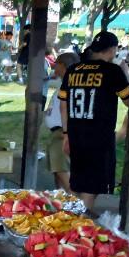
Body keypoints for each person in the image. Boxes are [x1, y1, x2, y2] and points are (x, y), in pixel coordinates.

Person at [59, 31, 129, 210]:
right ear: (113, 49)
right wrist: (125, 73)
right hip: (99, 139)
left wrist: (66, 134)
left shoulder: (73, 70)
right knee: (91, 188)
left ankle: (71, 220)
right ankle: (79, 225)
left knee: (78, 183)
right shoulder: (112, 71)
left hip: (75, 134)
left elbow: (63, 104)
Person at [44, 52, 79, 192]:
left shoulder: (71, 84)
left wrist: (66, 134)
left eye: (56, 64)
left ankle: (76, 202)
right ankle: (62, 200)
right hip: (56, 132)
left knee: (61, 169)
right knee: (57, 169)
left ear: (63, 65)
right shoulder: (63, 83)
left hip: (61, 132)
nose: (54, 67)